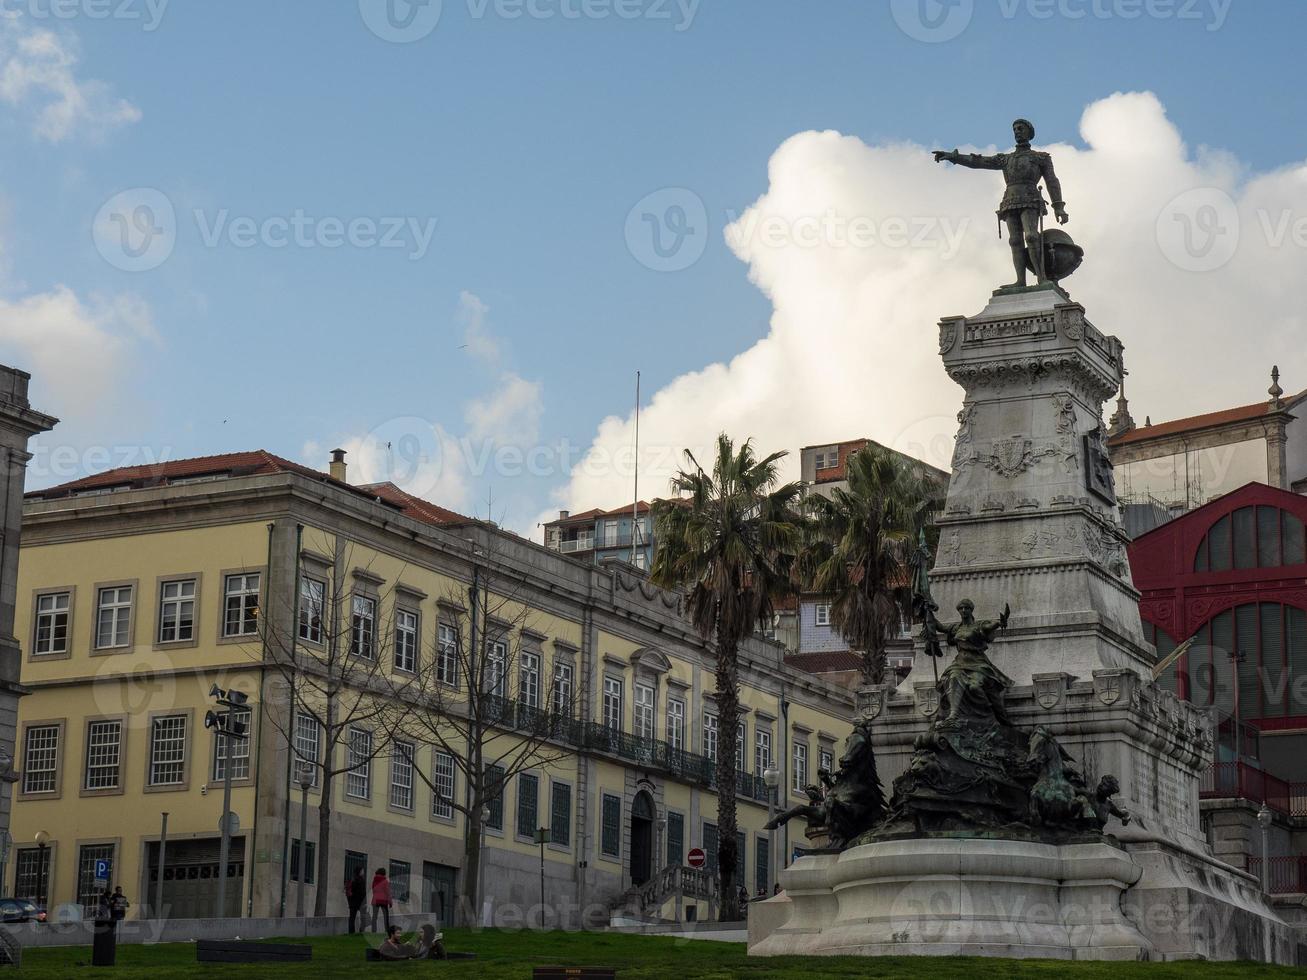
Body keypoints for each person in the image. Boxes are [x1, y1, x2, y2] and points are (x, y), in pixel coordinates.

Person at [378, 923, 446, 960]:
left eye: (421, 932)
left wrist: (406, 946)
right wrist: (407, 957)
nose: (400, 935)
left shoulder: (431, 943)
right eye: (398, 933)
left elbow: (443, 956)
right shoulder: (385, 946)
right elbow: (392, 957)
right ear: (392, 934)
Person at [370, 867, 392, 933]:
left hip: (375, 900)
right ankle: (387, 931)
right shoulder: (385, 881)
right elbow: (388, 892)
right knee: (386, 916)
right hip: (383, 900)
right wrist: (390, 902)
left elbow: (373, 889)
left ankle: (373, 931)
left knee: (374, 917)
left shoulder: (374, 880)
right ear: (384, 873)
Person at [345, 868, 366, 934]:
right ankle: (361, 931)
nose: (363, 872)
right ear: (359, 872)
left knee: (352, 918)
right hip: (359, 902)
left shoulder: (352, 879)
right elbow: (362, 893)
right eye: (362, 871)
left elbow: (349, 891)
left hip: (352, 902)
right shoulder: (361, 880)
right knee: (364, 917)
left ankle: (351, 932)